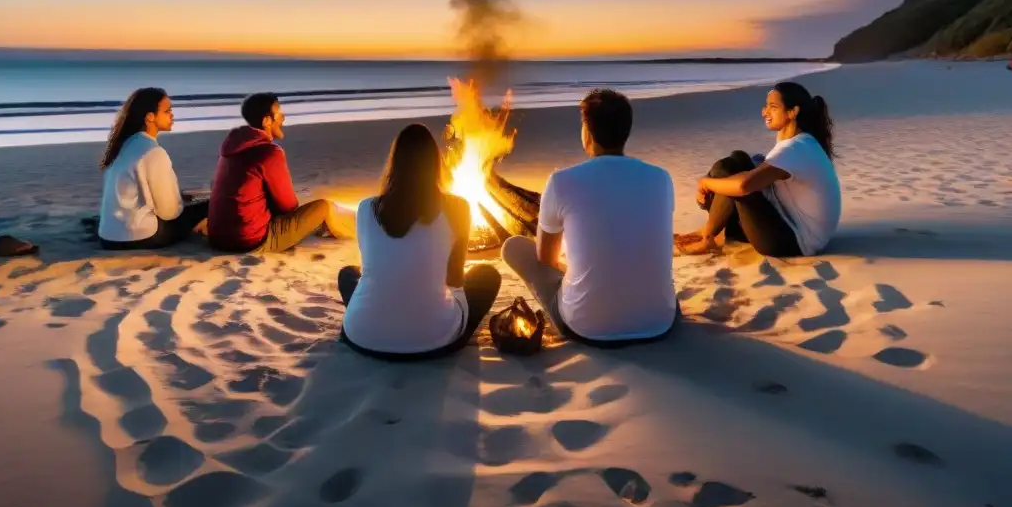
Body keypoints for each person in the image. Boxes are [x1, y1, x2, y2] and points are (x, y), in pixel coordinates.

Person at [501, 89, 677, 346]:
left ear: (587, 131)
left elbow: (546, 258)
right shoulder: (661, 178)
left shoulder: (561, 181)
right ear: (626, 130)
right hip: (660, 322)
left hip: (587, 327)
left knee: (514, 247)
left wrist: (567, 266)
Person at [338, 123, 501, 359]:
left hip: (363, 338)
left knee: (348, 275)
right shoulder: (458, 207)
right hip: (434, 342)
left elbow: (372, 269)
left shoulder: (366, 208)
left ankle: (375, 321)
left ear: (395, 163)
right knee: (487, 276)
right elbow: (454, 278)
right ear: (435, 164)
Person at [677, 81, 841, 258]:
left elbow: (744, 186)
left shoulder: (795, 149)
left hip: (792, 243)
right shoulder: (801, 143)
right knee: (736, 160)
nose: (764, 112)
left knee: (729, 171)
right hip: (795, 231)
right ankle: (709, 231)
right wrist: (711, 179)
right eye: (765, 106)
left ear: (792, 112)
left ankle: (708, 236)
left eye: (772, 107)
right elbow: (754, 166)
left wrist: (704, 182)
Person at [208, 93, 355, 253]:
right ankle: (358, 233)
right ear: (266, 121)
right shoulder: (270, 152)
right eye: (279, 114)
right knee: (324, 207)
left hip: (218, 238)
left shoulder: (231, 147)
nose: (283, 118)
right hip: (250, 240)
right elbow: (288, 206)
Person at [98, 87, 208, 250]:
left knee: (191, 205)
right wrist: (180, 202)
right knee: (211, 205)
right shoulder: (153, 151)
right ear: (150, 117)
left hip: (108, 236)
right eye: (167, 111)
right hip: (142, 236)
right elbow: (169, 212)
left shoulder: (121, 148)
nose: (172, 115)